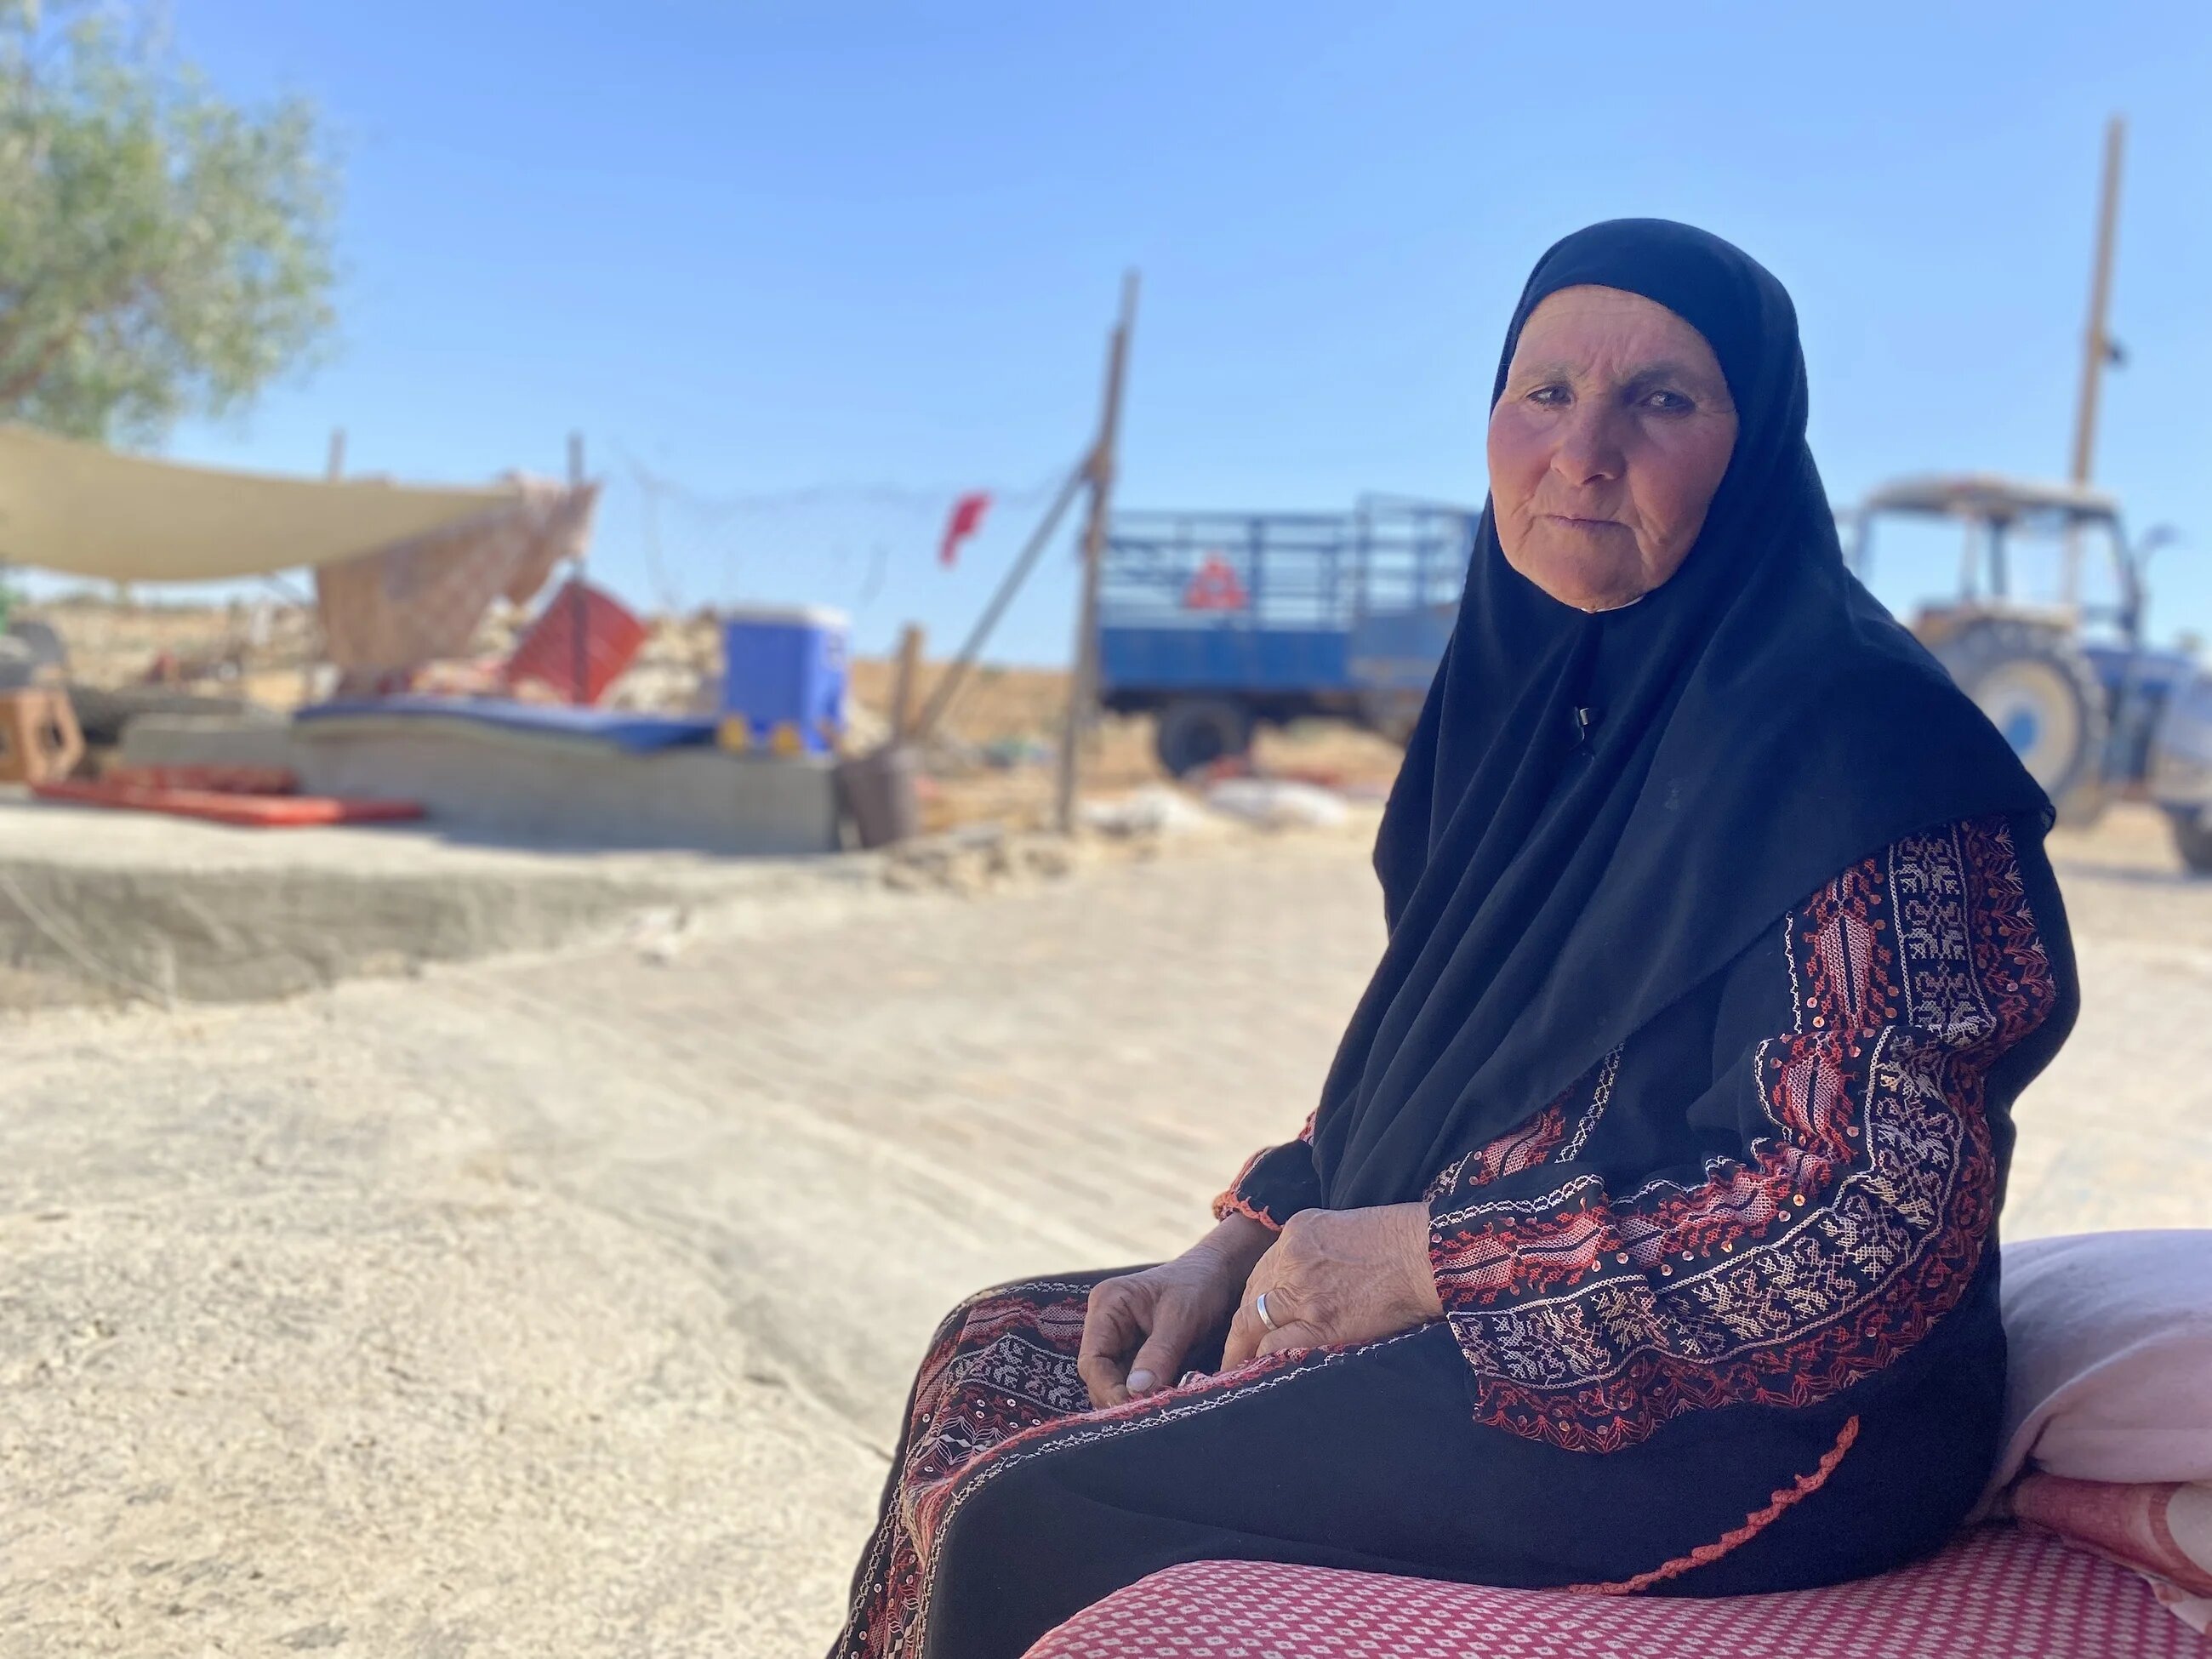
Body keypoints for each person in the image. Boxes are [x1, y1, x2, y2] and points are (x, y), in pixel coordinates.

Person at [826, 219, 2078, 1659]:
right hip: (1494, 1304)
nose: (1583, 451)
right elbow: (1430, 1072)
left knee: (1043, 1518)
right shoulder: (1537, 706)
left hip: (1772, 1414)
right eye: (1543, 392)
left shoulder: (1861, 745)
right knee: (996, 1356)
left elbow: (1862, 1225)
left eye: (1661, 400)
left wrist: (1433, 1262)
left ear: (1758, 443)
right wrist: (1239, 1246)